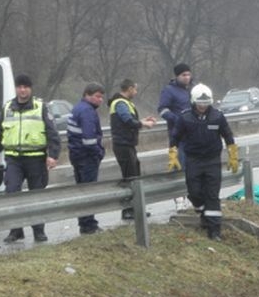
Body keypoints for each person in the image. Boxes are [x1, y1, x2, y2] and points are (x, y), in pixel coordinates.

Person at [0, 73, 61, 243]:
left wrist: (53, 156)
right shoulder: (7, 108)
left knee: (36, 195)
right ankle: (16, 230)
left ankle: (38, 230)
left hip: (36, 158)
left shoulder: (40, 106)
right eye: (20, 87)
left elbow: (53, 133)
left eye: (26, 87)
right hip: (14, 159)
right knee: (12, 192)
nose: (22, 90)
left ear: (30, 88)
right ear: (16, 88)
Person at [172, 83, 238, 241]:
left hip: (212, 160)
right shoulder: (185, 117)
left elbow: (228, 136)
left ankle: (214, 230)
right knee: (194, 193)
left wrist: (233, 154)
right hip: (193, 160)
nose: (203, 106)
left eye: (206, 103)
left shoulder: (217, 116)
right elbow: (175, 137)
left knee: (212, 195)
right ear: (194, 102)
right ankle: (203, 213)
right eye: (200, 103)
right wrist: (172, 154)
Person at [108, 79, 156, 219]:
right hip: (123, 144)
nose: (136, 92)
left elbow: (129, 119)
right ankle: (128, 210)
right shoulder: (121, 103)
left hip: (127, 144)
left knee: (134, 174)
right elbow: (127, 120)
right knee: (130, 177)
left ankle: (134, 209)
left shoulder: (124, 103)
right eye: (135, 89)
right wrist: (144, 124)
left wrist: (142, 120)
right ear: (129, 89)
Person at [67, 82, 105, 235]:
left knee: (81, 190)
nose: (100, 100)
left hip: (76, 155)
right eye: (97, 96)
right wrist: (99, 152)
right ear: (87, 95)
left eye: (101, 97)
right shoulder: (87, 111)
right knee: (89, 190)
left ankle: (84, 222)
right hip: (87, 156)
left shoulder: (76, 108)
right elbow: (89, 139)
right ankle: (89, 225)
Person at [158, 63, 193, 210]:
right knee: (179, 166)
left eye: (188, 74)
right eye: (183, 75)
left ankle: (193, 197)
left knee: (194, 167)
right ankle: (179, 199)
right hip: (178, 136)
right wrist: (177, 119)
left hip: (194, 134)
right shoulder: (169, 90)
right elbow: (162, 110)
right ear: (177, 76)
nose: (187, 77)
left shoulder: (193, 89)